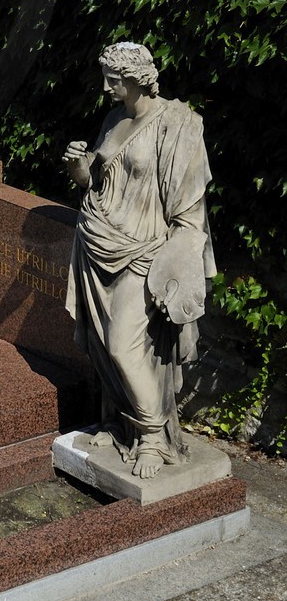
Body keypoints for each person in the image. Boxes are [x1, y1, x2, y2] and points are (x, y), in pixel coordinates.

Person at [62, 41, 215, 478]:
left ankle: (152, 436)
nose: (105, 87)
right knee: (102, 346)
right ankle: (121, 423)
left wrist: (179, 264)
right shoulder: (114, 119)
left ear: (135, 79)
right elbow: (95, 182)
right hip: (96, 243)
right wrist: (78, 167)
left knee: (123, 344)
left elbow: (190, 209)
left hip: (144, 250)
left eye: (113, 79)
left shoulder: (178, 125)